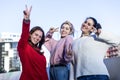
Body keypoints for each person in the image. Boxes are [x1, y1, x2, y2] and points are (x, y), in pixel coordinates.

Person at [17, 5, 48, 80]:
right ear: (30, 34)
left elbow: (44, 73)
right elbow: (24, 34)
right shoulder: (24, 47)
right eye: (36, 35)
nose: (37, 38)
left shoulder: (40, 53)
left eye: (40, 37)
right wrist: (26, 20)